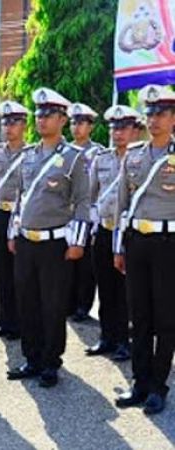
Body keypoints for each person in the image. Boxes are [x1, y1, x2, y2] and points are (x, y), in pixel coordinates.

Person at [6, 87, 90, 388]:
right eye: (39, 114)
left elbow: (82, 201)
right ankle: (32, 357)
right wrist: (12, 232)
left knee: (52, 305)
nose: (42, 120)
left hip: (56, 244)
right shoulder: (28, 155)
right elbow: (20, 197)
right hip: (27, 240)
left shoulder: (74, 158)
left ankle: (51, 362)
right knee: (26, 301)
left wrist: (78, 242)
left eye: (49, 114)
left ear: (63, 119)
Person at [113, 85, 175, 415]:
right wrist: (118, 248)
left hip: (169, 245)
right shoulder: (135, 154)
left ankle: (158, 386)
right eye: (149, 113)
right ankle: (139, 382)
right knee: (139, 316)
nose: (154, 119)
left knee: (166, 318)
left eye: (161, 113)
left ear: (174, 118)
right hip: (136, 243)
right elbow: (122, 204)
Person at [85, 105, 139, 362]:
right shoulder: (102, 158)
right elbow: (92, 194)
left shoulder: (141, 159)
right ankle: (107, 337)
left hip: (129, 233)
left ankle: (125, 340)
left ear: (136, 131)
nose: (118, 133)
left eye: (124, 128)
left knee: (127, 291)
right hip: (105, 230)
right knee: (105, 287)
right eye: (114, 128)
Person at [0, 100, 27, 341]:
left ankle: (21, 322)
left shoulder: (31, 154)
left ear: (24, 125)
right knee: (0, 270)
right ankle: (4, 321)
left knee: (19, 272)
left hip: (20, 217)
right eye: (5, 122)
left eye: (14, 123)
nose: (8, 127)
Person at [68, 102, 103, 322]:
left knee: (86, 265)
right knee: (66, 261)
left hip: (88, 213)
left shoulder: (98, 153)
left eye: (81, 123)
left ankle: (83, 304)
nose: (77, 127)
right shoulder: (65, 151)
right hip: (66, 213)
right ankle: (68, 302)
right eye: (74, 122)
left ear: (90, 126)